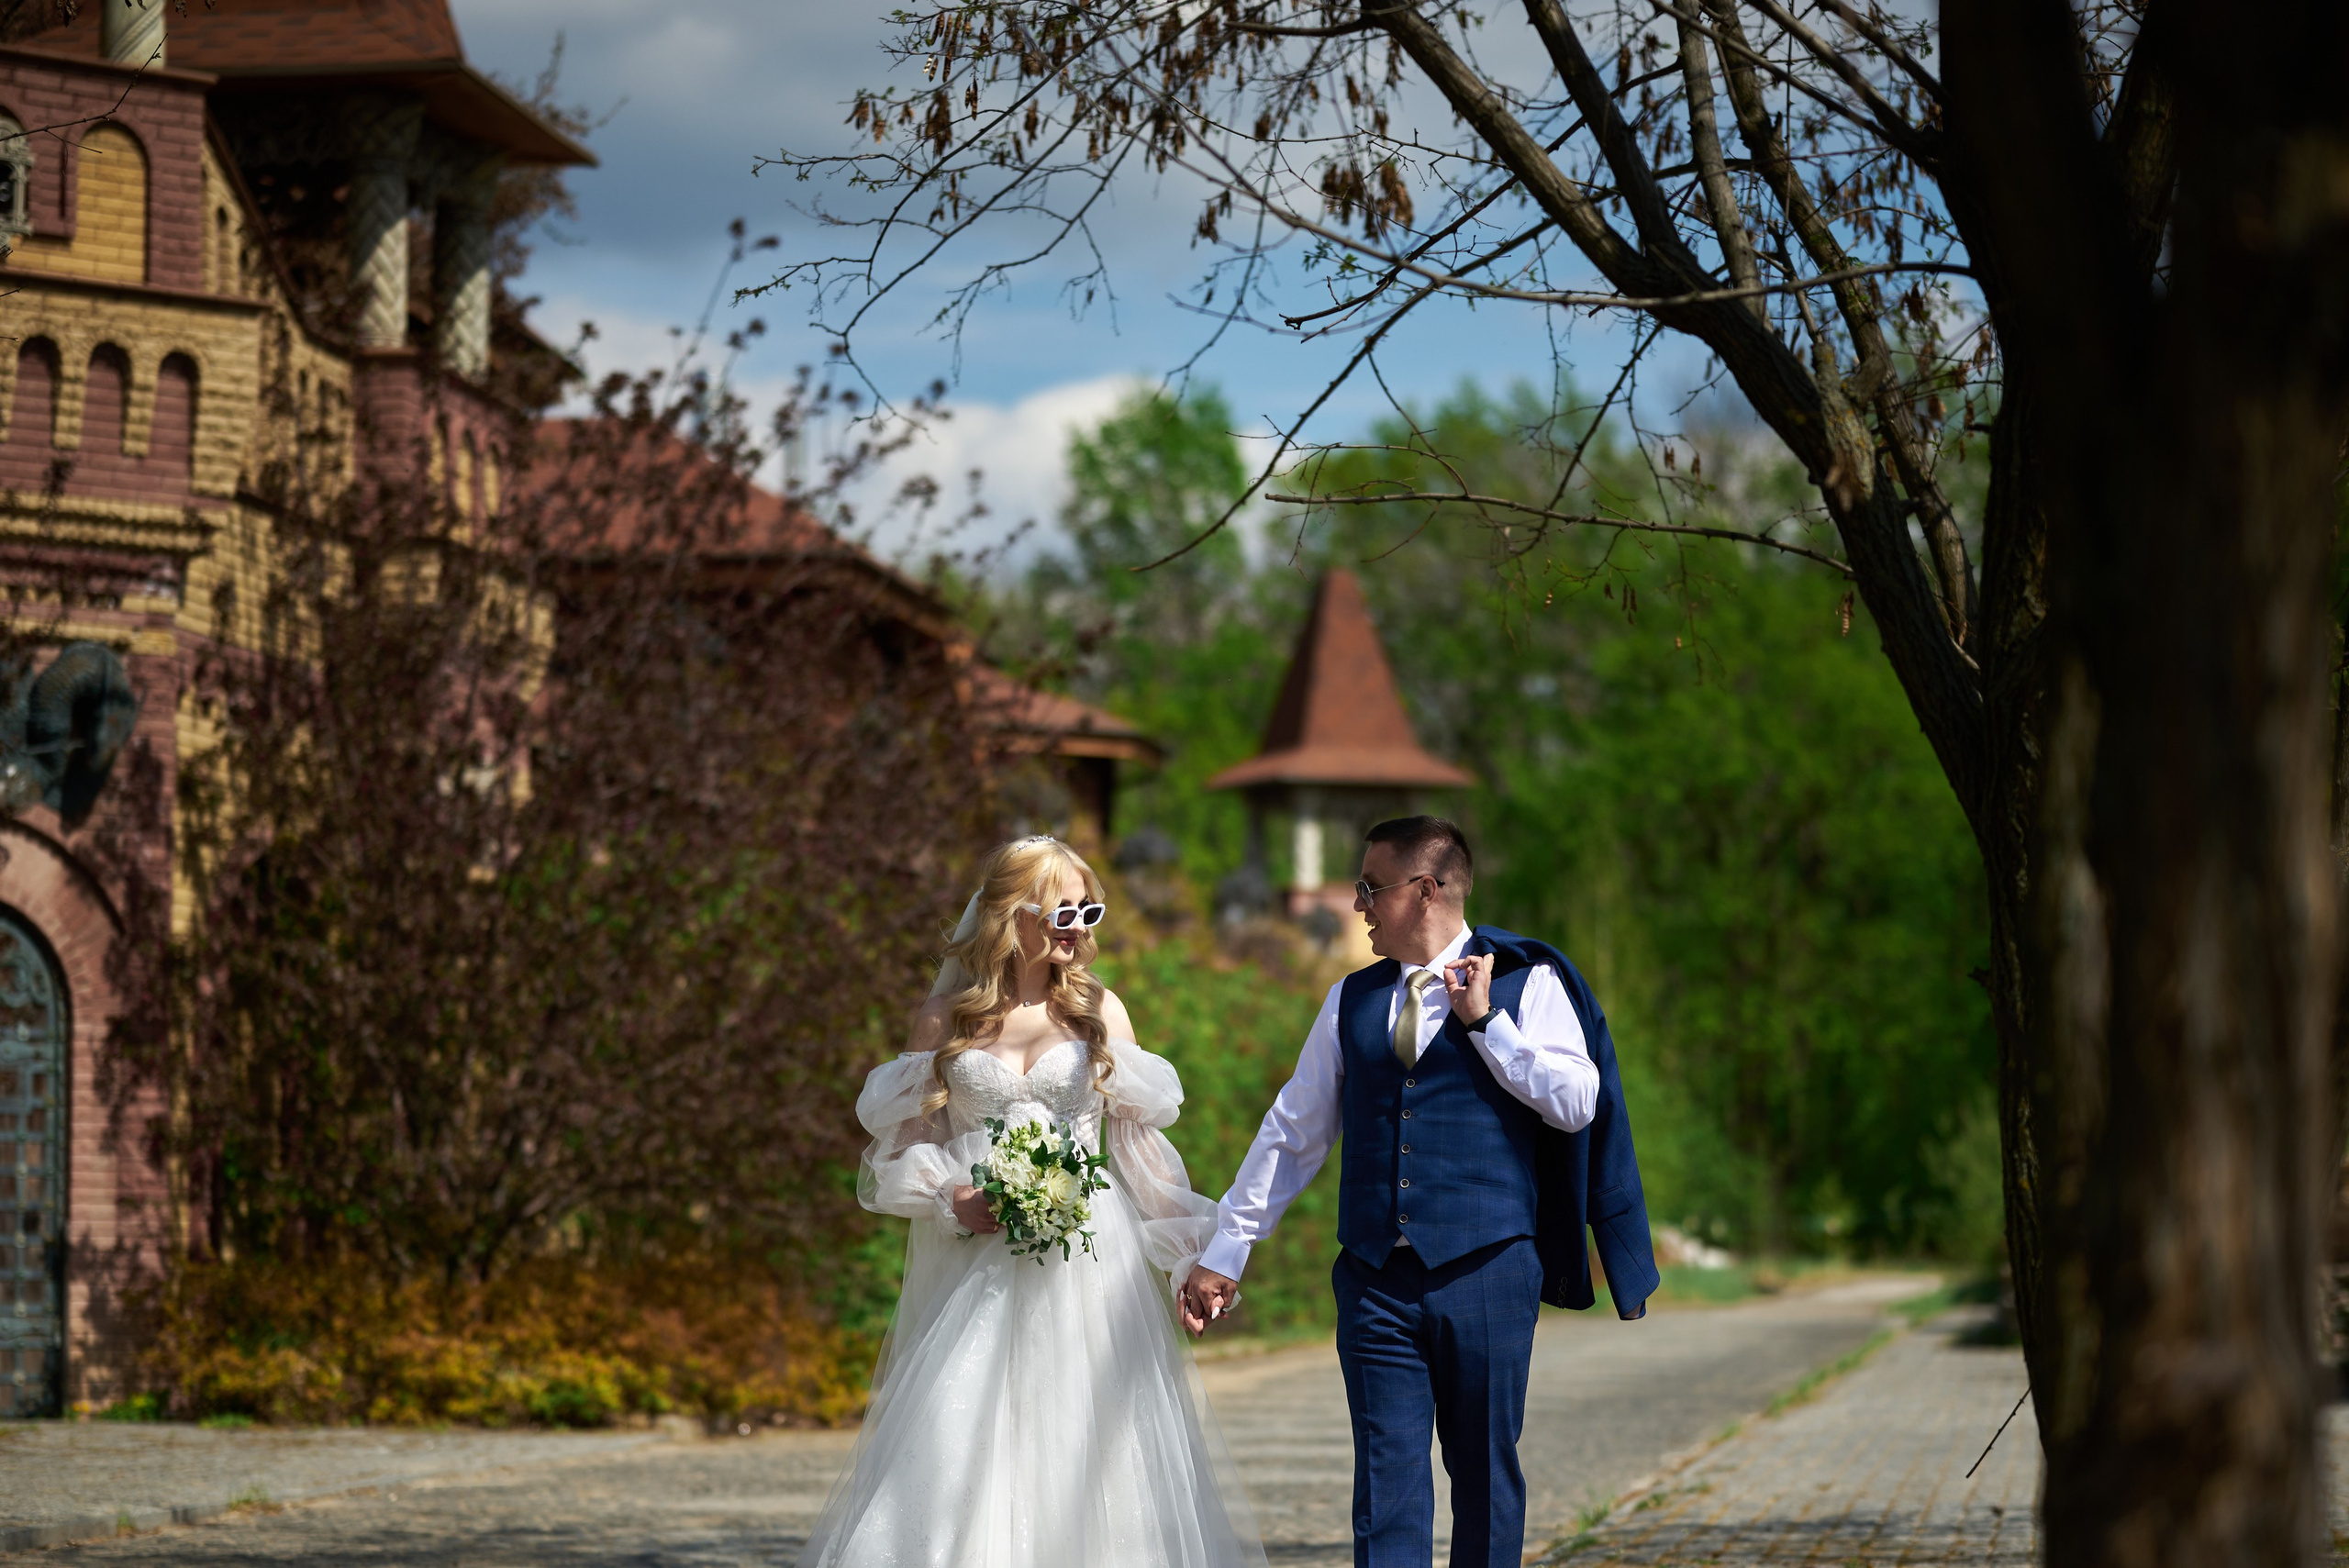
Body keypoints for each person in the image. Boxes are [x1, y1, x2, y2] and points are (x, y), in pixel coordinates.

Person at [1184, 816, 1657, 1568]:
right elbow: (1292, 1133)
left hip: (1489, 1272)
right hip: (1375, 1281)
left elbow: (1577, 1102)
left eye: (1371, 887)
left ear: (1427, 889)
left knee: (1484, 1479)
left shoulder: (1527, 982)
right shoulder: (1350, 998)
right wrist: (1225, 1251)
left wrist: (1487, 1024)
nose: (1359, 905)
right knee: (1386, 1488)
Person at [799, 835, 1266, 1568]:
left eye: (1091, 909)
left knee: (1090, 1442)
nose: (1080, 926)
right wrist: (954, 1195)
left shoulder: (1100, 1011)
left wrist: (1190, 1258)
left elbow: (1139, 1154)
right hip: (975, 1263)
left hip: (1089, 1264)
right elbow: (900, 1153)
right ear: (1008, 916)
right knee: (962, 1439)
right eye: (1062, 910)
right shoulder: (944, 1021)